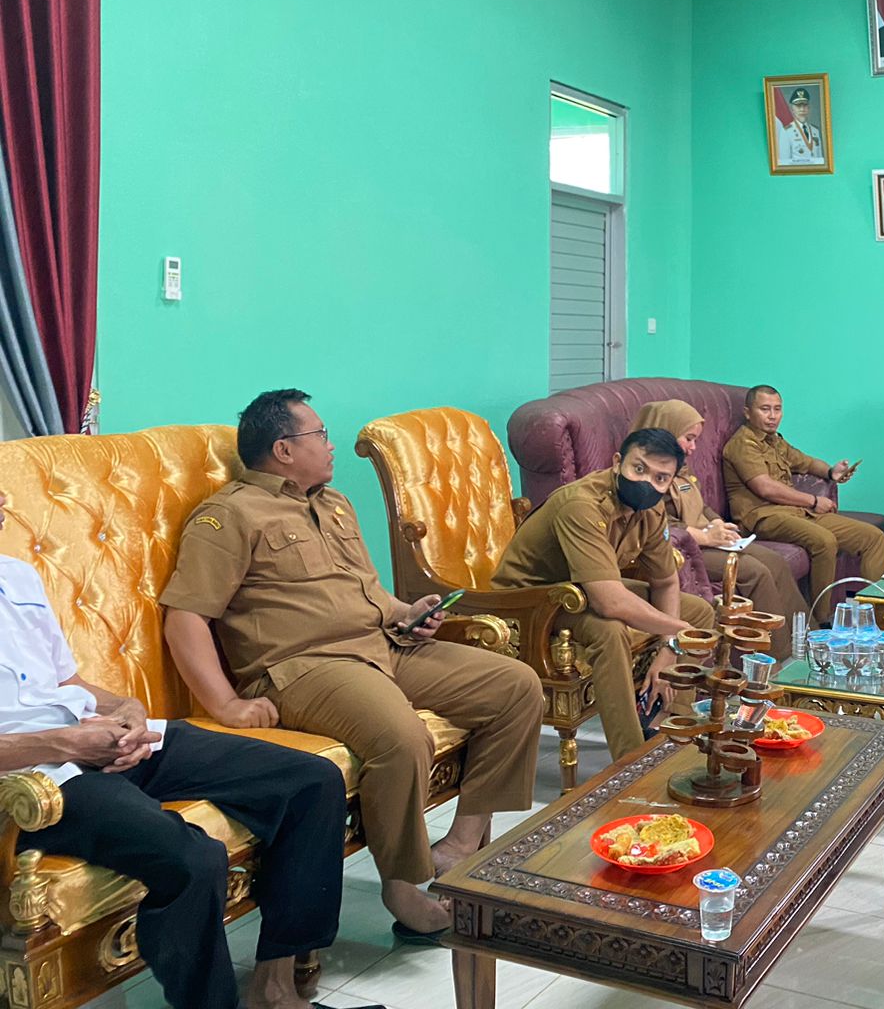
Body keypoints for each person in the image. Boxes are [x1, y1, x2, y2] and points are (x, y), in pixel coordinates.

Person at [160, 389, 542, 944]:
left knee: (515, 685)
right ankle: (405, 883)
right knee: (400, 737)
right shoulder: (229, 515)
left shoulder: (334, 504)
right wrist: (227, 703)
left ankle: (463, 840)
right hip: (307, 667)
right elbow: (185, 618)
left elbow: (365, 592)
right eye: (319, 434)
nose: (330, 444)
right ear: (284, 449)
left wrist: (407, 613)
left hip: (383, 645)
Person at [0, 494, 364, 1009]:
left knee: (311, 781)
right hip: (33, 780)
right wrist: (61, 742)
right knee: (192, 856)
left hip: (98, 737)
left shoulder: (15, 574)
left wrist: (125, 707)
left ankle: (276, 990)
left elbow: (68, 682)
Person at [494, 427, 717, 759]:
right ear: (617, 463)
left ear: (670, 483)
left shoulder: (652, 510)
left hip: (583, 587)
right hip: (530, 598)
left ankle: (668, 726)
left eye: (659, 478)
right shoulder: (581, 504)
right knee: (609, 630)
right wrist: (678, 631)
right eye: (638, 468)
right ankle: (631, 760)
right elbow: (608, 601)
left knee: (698, 611)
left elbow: (666, 582)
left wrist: (670, 649)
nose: (645, 482)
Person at [627, 400, 807, 644]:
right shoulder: (645, 473)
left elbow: (702, 505)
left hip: (709, 537)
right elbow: (656, 524)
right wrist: (704, 536)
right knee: (755, 572)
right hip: (686, 547)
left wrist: (719, 524)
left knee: (774, 561)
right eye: (688, 438)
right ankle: (777, 656)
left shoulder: (681, 468)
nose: (692, 447)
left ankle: (805, 639)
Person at [723, 385, 884, 614]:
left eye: (777, 409)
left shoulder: (775, 441)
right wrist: (812, 500)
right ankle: (822, 621)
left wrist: (831, 472)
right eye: (765, 409)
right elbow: (765, 488)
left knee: (873, 538)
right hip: (763, 517)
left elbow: (805, 462)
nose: (772, 416)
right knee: (824, 541)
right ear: (748, 412)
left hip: (795, 513)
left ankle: (879, 619)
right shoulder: (742, 444)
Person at [776, 87, 825, 166]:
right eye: (798, 106)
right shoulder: (786, 131)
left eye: (805, 105)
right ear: (792, 109)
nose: (802, 109)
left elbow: (820, 158)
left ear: (809, 108)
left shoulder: (815, 130)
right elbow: (784, 162)